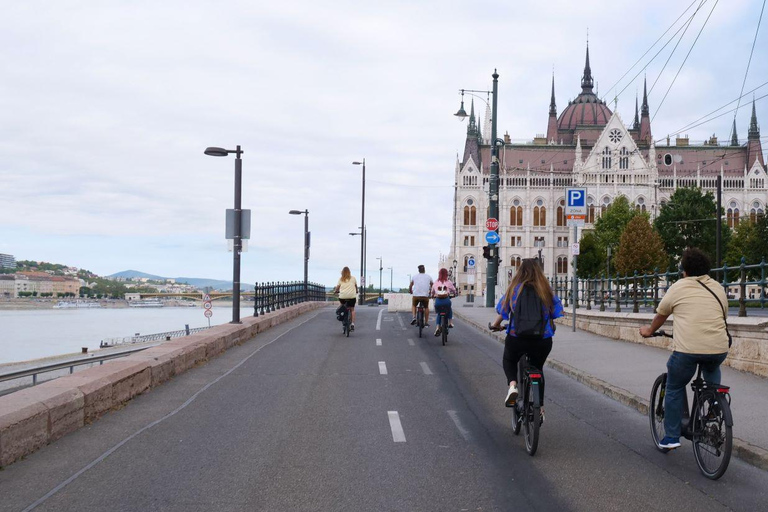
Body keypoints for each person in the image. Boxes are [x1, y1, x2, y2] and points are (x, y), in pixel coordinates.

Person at [640, 248, 729, 449]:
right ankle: (714, 402)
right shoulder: (717, 287)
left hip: (687, 349)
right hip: (718, 346)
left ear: (685, 270)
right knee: (712, 366)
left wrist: (649, 330)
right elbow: (723, 314)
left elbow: (662, 314)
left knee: (674, 385)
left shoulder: (679, 287)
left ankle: (671, 437)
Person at [489, 258, 563, 422]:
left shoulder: (513, 290)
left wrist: (495, 325)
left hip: (517, 337)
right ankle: (540, 408)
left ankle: (513, 385)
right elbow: (557, 313)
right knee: (538, 368)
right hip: (542, 340)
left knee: (509, 359)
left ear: (520, 272)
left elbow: (503, 311)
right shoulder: (546, 290)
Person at [431, 268, 457, 336]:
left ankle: (437, 328)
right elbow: (454, 290)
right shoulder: (448, 282)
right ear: (446, 274)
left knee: (439, 314)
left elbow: (432, 292)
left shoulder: (436, 282)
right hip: (446, 300)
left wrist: (432, 295)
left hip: (438, 301)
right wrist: (454, 293)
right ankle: (450, 322)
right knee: (449, 309)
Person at [333, 267, 358, 331]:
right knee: (352, 309)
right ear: (349, 272)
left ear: (342, 272)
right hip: (352, 297)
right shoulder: (353, 278)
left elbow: (337, 288)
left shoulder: (341, 279)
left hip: (343, 297)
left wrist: (335, 291)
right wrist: (356, 291)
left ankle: (343, 319)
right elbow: (356, 287)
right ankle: (352, 323)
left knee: (342, 307)